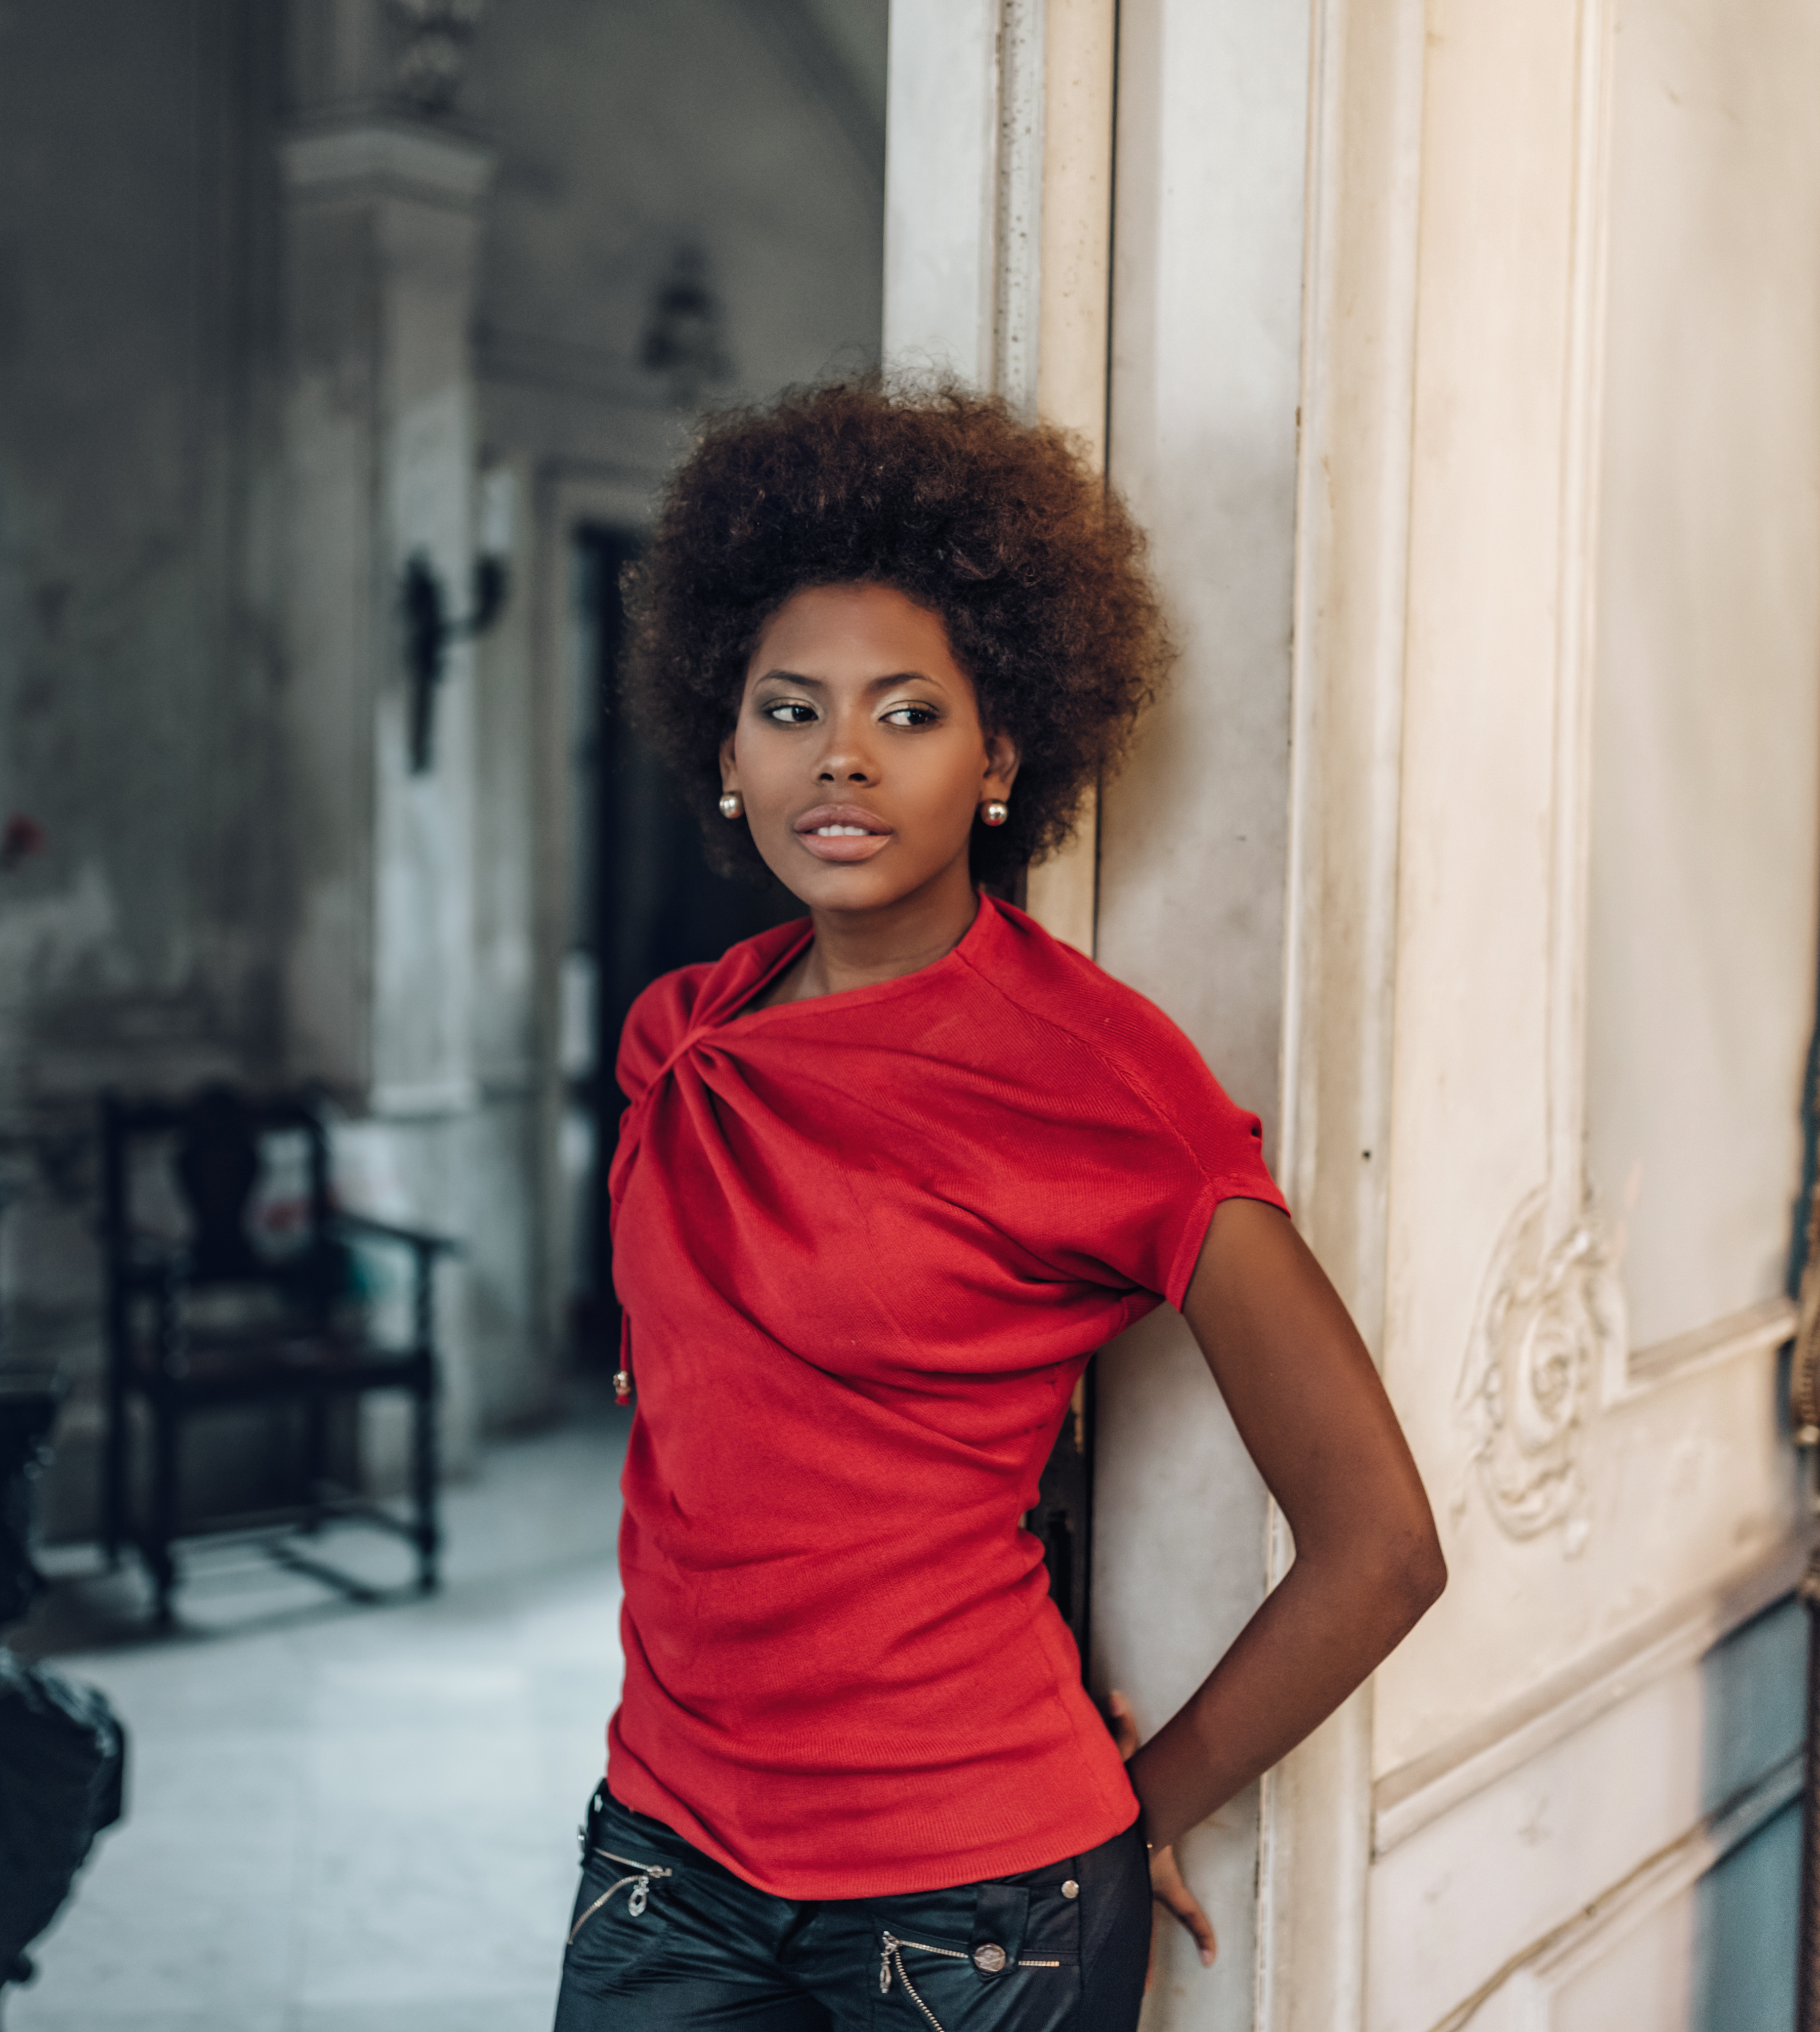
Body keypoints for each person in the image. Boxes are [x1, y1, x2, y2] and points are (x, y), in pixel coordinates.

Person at [559, 377, 1445, 2032]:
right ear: (725, 750)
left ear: (999, 758)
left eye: (907, 713)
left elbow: (1382, 1546)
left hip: (967, 1909)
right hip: (662, 1864)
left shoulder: (1104, 1080)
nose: (840, 758)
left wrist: (1138, 1812)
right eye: (787, 709)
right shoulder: (683, 1044)